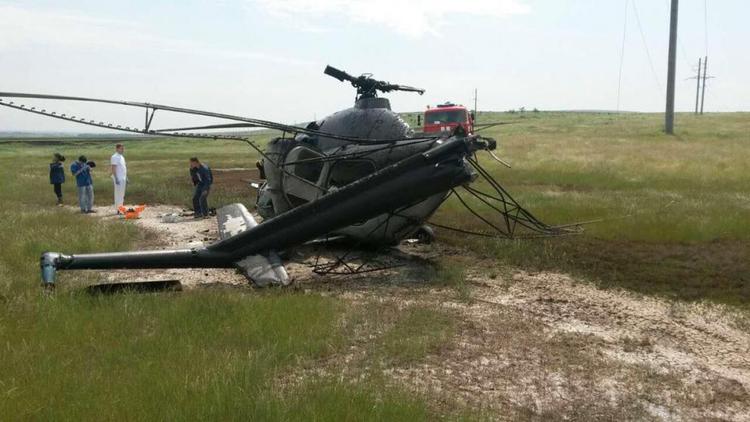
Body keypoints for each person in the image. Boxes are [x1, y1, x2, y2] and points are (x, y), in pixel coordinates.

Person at [110, 144, 127, 213]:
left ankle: (121, 208)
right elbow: (113, 168)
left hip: (123, 177)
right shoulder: (114, 157)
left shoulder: (122, 157)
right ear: (117, 149)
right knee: (118, 194)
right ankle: (118, 209)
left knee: (122, 194)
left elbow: (123, 167)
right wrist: (116, 178)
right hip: (118, 178)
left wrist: (126, 177)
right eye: (121, 149)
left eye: (123, 149)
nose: (123, 150)